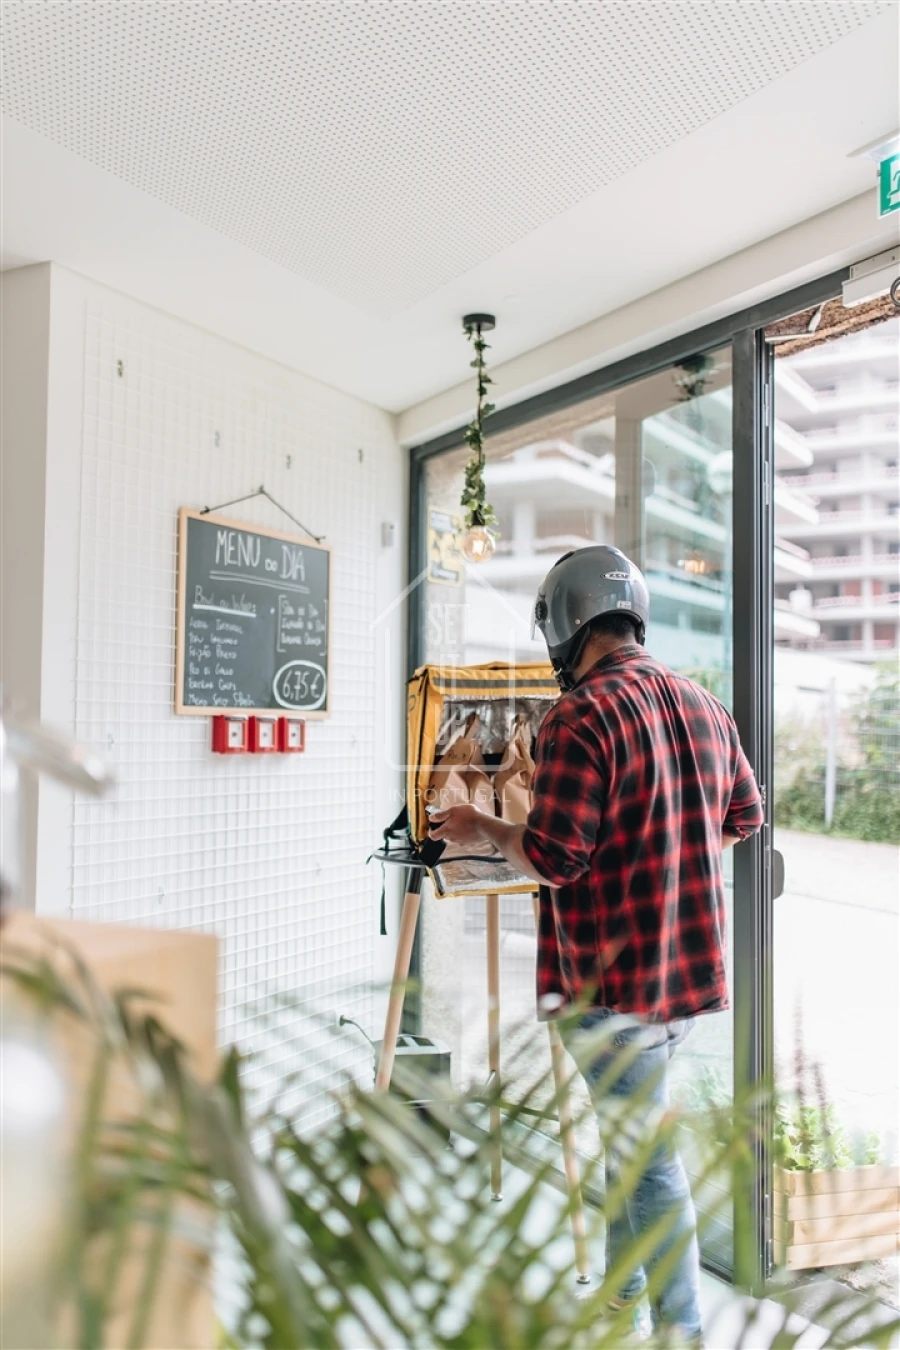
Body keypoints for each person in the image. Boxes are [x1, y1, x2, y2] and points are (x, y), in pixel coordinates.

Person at [429, 544, 764, 1346]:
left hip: (613, 995)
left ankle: (679, 1332)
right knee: (631, 1147)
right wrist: (673, 856)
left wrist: (478, 824)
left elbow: (553, 856)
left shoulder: (581, 715)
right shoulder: (705, 704)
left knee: (650, 1166)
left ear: (566, 627)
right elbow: (744, 817)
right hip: (684, 986)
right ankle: (622, 1297)